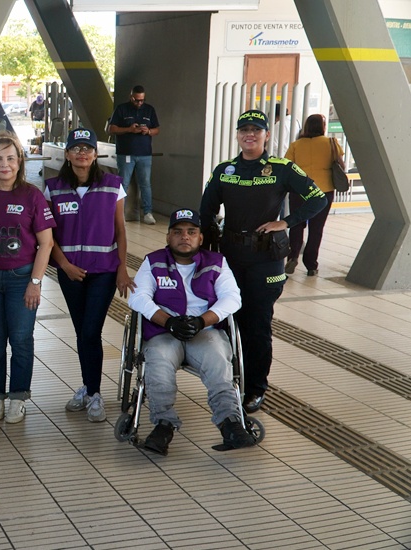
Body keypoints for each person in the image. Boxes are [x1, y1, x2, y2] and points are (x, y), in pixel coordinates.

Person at [200, 109, 326, 413]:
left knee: (257, 325)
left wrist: (287, 222)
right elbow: (205, 211)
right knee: (228, 322)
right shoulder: (224, 170)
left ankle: (256, 388)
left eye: (256, 130)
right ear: (238, 135)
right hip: (230, 258)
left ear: (266, 135)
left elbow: (318, 199)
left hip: (266, 260)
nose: (250, 135)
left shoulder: (281, 168)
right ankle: (230, 382)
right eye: (244, 129)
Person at [128, 208, 253, 455]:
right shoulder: (153, 262)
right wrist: (168, 322)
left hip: (204, 331)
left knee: (219, 361)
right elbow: (138, 297)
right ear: (168, 237)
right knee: (158, 364)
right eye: (177, 232)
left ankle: (230, 423)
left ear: (200, 238)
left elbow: (232, 298)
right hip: (164, 332)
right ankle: (163, 425)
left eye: (191, 232)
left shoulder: (217, 263)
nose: (184, 236)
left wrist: (200, 322)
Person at [44, 128, 134, 423]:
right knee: (82, 331)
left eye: (88, 148)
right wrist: (64, 266)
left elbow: (120, 230)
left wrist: (122, 267)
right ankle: (88, 387)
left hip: (104, 272)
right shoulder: (53, 188)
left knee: (90, 331)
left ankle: (95, 394)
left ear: (96, 154)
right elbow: (48, 236)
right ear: (66, 155)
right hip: (71, 273)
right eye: (76, 148)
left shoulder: (112, 185)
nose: (82, 153)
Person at [0, 132, 55, 424]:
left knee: (20, 339)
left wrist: (35, 282)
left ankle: (18, 397)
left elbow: (47, 243)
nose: (4, 164)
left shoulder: (32, 195)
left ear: (20, 161)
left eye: (10, 158)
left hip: (22, 279)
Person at [284, 114, 342, 277]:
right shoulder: (331, 143)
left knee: (296, 224)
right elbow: (340, 163)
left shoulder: (296, 145)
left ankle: (293, 256)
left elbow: (288, 166)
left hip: (299, 190)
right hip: (324, 190)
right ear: (322, 127)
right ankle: (311, 265)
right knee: (316, 228)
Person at [107, 85, 160, 224]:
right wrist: (129, 129)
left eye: (142, 100)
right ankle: (119, 214)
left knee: (145, 184)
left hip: (145, 154)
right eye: (136, 100)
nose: (139, 103)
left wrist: (147, 131)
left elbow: (157, 129)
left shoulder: (149, 110)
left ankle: (148, 213)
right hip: (126, 153)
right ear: (131, 97)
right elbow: (112, 129)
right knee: (123, 183)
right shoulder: (121, 109)